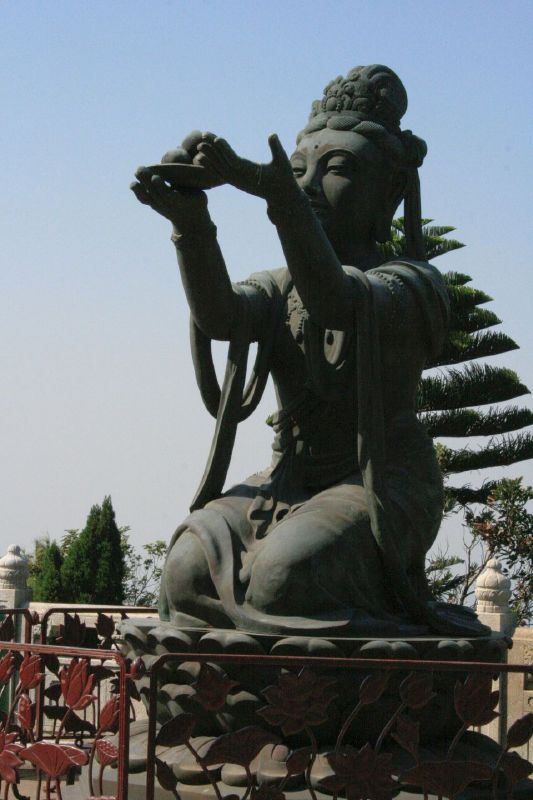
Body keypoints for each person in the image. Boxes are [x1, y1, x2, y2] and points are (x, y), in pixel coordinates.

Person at [131, 65, 485, 637]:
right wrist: (192, 227)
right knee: (184, 571)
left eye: (336, 169)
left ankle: (342, 668)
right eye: (297, 173)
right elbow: (222, 316)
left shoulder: (412, 285)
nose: (310, 186)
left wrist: (281, 201)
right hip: (285, 480)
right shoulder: (279, 286)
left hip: (378, 484)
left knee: (284, 577)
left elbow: (337, 301)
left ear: (389, 192)